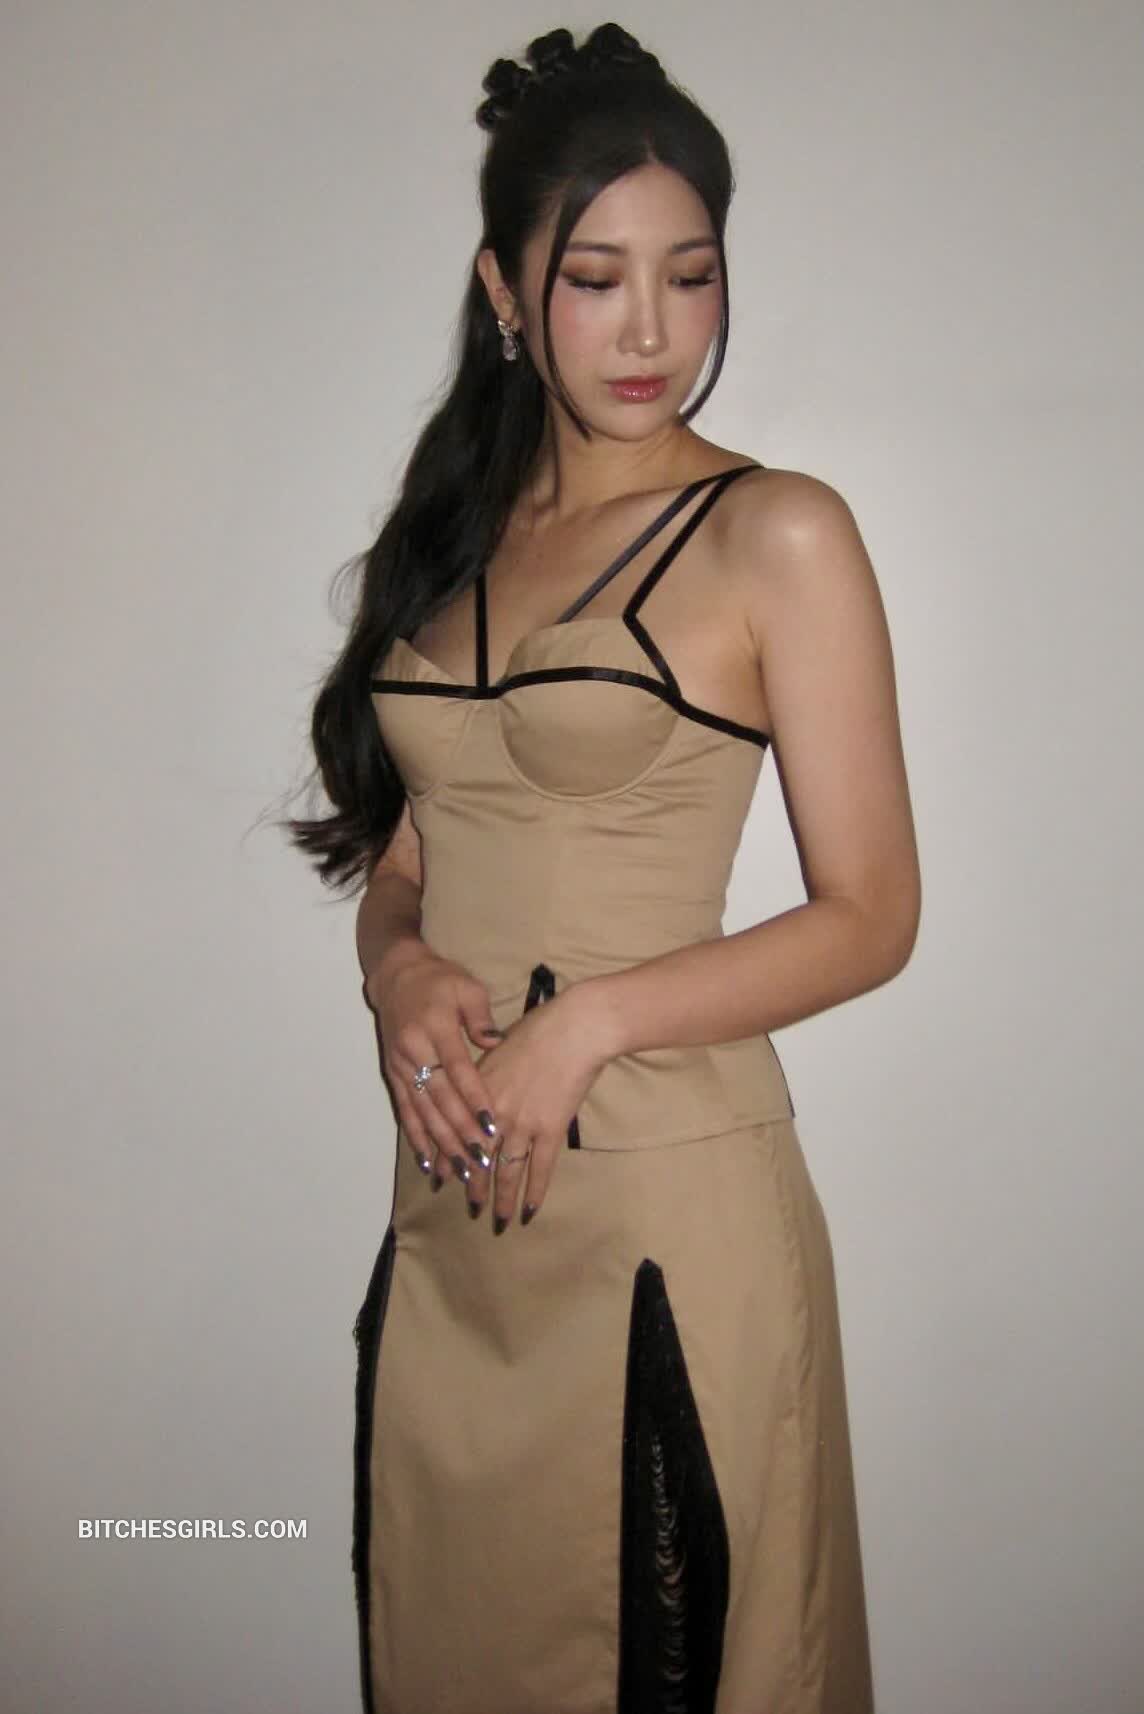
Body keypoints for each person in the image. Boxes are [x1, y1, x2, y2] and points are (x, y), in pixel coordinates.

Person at [287, 21, 919, 1714]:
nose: (652, 330)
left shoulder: (779, 531)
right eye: (595, 278)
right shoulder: (451, 543)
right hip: (458, 1212)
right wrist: (394, 967)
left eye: (690, 275)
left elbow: (874, 914)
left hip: (666, 1205)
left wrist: (586, 1025)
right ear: (505, 290)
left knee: (679, 1659)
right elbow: (412, 851)